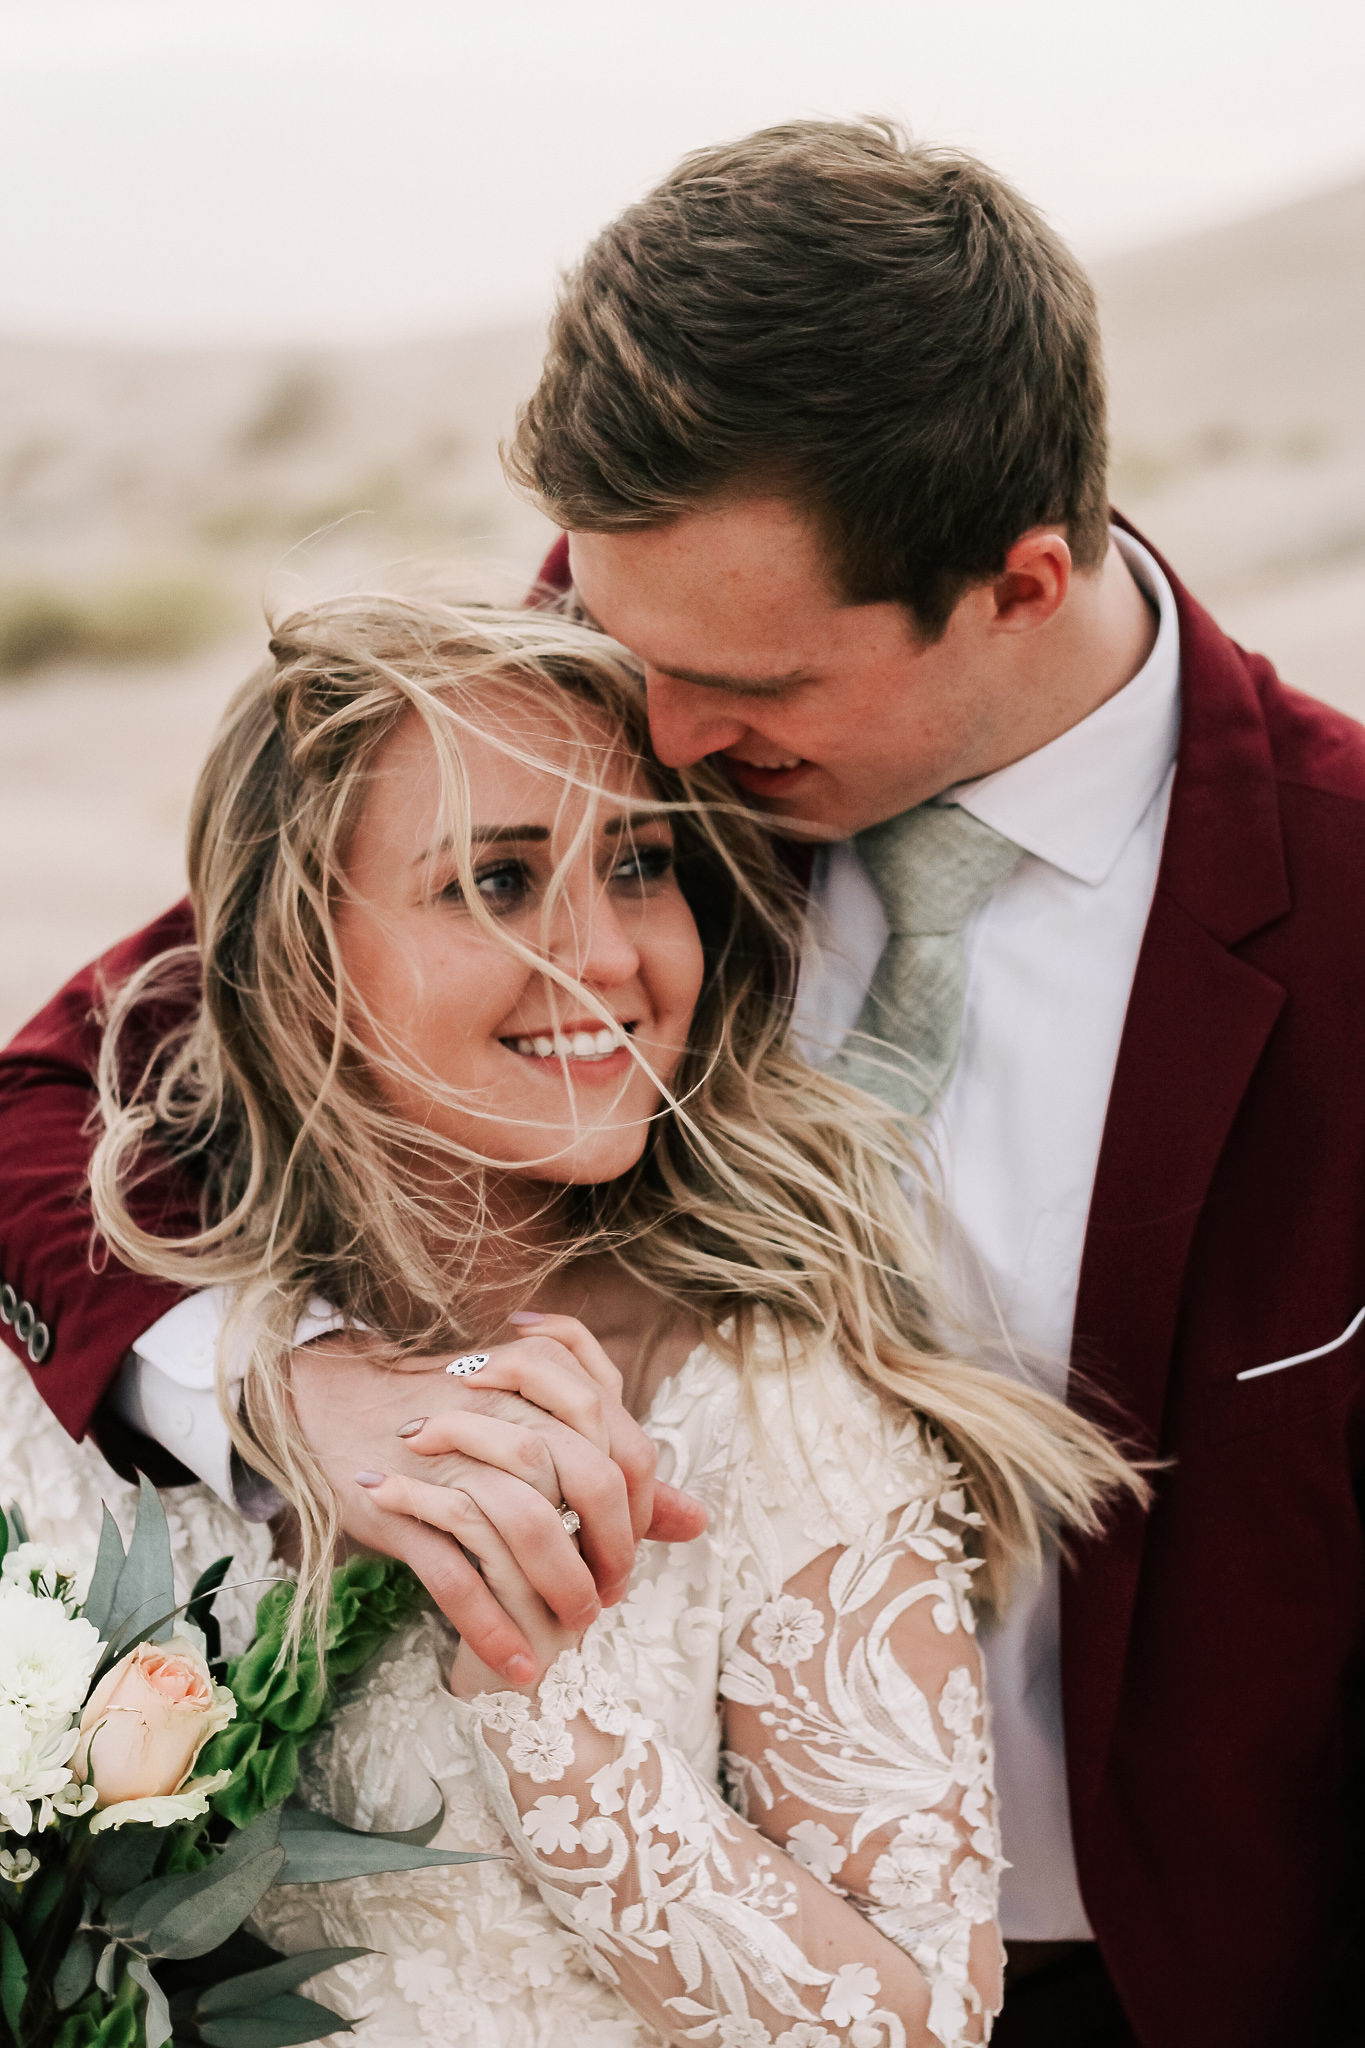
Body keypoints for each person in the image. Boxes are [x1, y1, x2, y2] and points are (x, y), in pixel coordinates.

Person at [2, 117, 1363, 2043]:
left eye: (757, 688)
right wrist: (280, 1384)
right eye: (624, 638)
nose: (662, 736)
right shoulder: (594, 728)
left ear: (1020, 582)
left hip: (1149, 1985)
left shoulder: (1347, 907)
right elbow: (59, 1100)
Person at [0, 595, 1133, 2046]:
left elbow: (914, 2024)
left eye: (639, 864)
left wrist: (547, 1711)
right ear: (296, 957)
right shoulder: (127, 1356)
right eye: (497, 880)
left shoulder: (769, 1408)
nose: (602, 954)